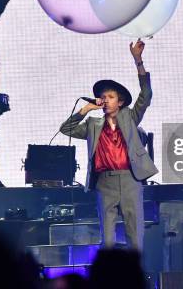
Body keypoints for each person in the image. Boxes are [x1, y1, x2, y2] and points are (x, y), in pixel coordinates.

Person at [59, 40, 158, 250]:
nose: (105, 100)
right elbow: (66, 129)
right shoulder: (93, 124)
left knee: (135, 237)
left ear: (120, 102)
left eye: (110, 97)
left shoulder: (130, 118)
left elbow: (146, 95)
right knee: (108, 240)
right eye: (103, 97)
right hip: (105, 182)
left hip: (130, 179)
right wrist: (85, 109)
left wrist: (138, 60)